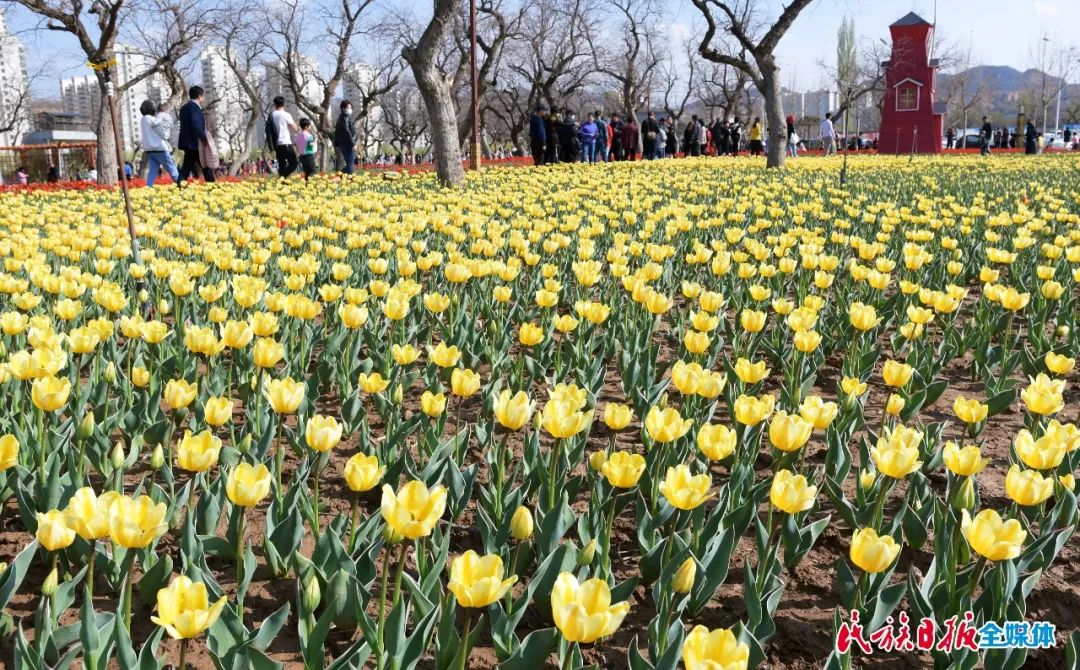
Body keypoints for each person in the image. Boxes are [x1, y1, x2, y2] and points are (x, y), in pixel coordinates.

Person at [177, 86, 215, 185]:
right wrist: (204, 139)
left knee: (187, 167)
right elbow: (196, 125)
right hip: (195, 143)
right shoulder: (195, 108)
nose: (204, 98)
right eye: (203, 96)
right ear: (199, 96)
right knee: (205, 164)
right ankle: (212, 186)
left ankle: (179, 185)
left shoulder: (184, 108)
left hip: (186, 142)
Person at [139, 99, 179, 187]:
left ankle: (148, 188)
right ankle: (181, 185)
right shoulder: (153, 120)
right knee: (172, 168)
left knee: (152, 172)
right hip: (160, 149)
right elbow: (164, 135)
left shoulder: (143, 120)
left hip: (149, 150)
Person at [266, 96, 299, 178]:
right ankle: (282, 178)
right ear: (283, 104)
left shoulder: (272, 115)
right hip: (286, 142)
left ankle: (282, 183)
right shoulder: (286, 115)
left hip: (276, 144)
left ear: (275, 104)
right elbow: (295, 129)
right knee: (294, 163)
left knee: (282, 164)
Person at [334, 100, 357, 174]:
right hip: (348, 144)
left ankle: (340, 176)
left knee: (349, 165)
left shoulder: (343, 118)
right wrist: (353, 144)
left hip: (344, 144)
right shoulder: (345, 118)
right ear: (343, 108)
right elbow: (347, 132)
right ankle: (338, 176)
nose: (350, 110)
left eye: (351, 108)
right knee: (350, 167)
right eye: (348, 108)